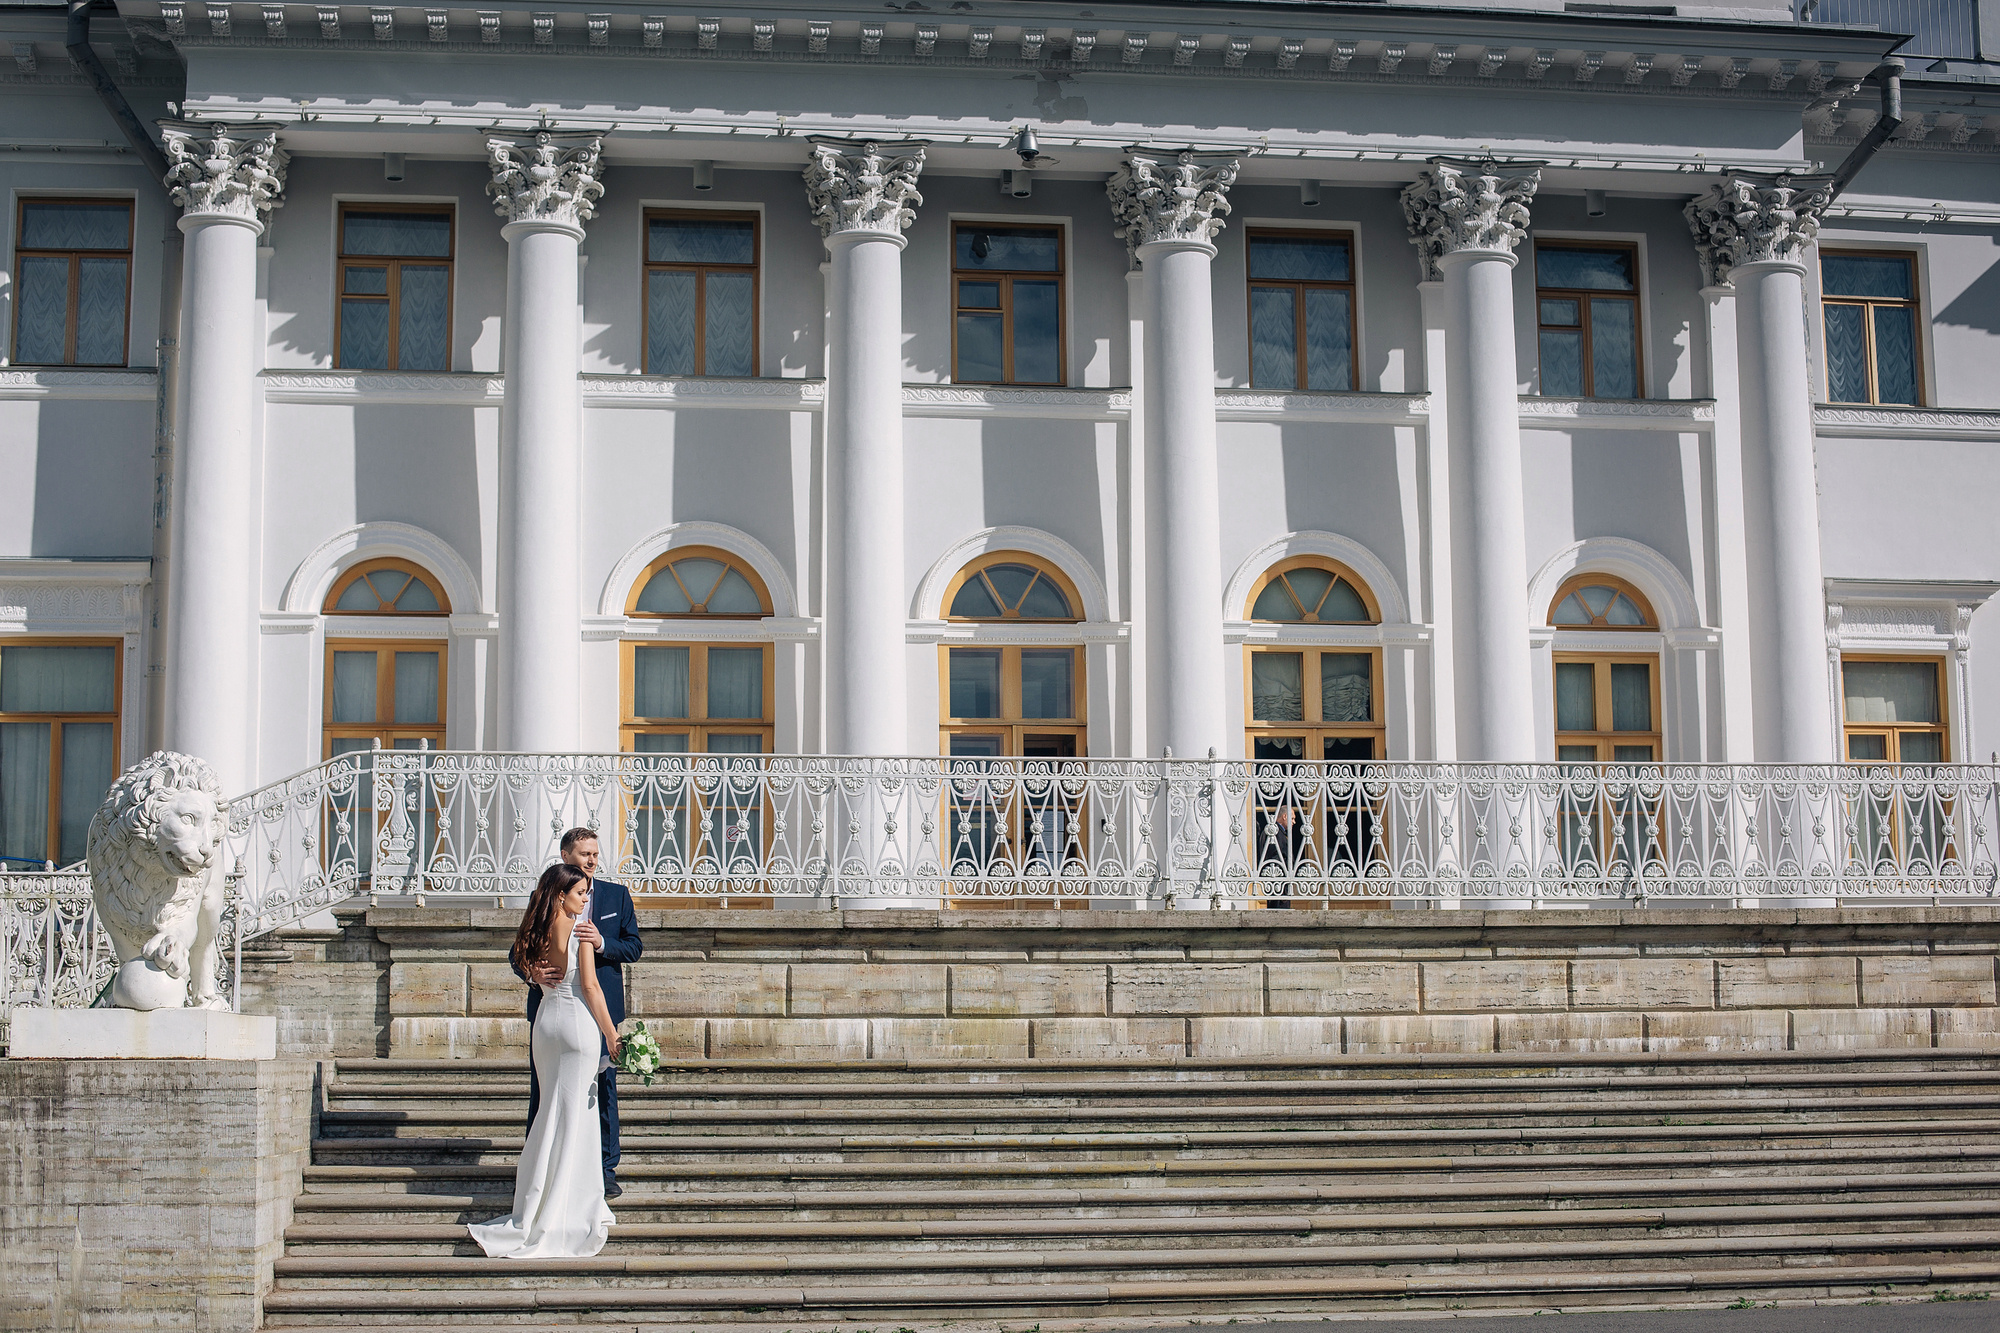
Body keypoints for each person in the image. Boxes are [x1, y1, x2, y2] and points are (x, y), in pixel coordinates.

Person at [468, 862, 621, 1258]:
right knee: (576, 1117)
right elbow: (590, 987)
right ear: (560, 895)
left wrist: (536, 976)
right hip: (576, 1029)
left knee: (549, 1113)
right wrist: (611, 1033)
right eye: (580, 893)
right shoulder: (580, 932)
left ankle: (533, 1206)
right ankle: (568, 1208)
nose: (586, 899)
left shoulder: (534, 931)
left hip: (545, 1026)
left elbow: (527, 968)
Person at [512, 828, 643, 1197]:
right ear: (566, 856)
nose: (591, 860)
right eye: (584, 853)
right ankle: (541, 1167)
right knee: (546, 1093)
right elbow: (517, 953)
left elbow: (634, 947)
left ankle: (604, 1170)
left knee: (602, 1093)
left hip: (599, 1010)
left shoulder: (616, 895)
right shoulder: (546, 901)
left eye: (595, 854)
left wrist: (604, 943)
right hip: (555, 1008)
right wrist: (532, 973)